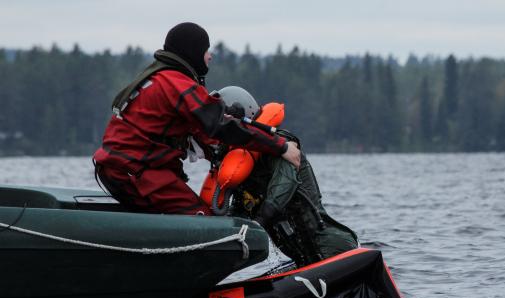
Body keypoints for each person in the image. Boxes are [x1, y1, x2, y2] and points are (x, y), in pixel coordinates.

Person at [93, 22, 300, 215]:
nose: (209, 56)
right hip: (135, 172)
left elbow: (197, 132)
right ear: (192, 52)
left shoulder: (158, 77)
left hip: (116, 169)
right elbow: (221, 127)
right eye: (206, 50)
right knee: (203, 221)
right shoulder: (177, 84)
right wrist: (280, 146)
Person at [216, 86, 359, 267]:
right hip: (304, 259)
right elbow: (238, 214)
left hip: (334, 249)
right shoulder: (241, 169)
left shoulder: (282, 147)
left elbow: (285, 183)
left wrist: (259, 221)